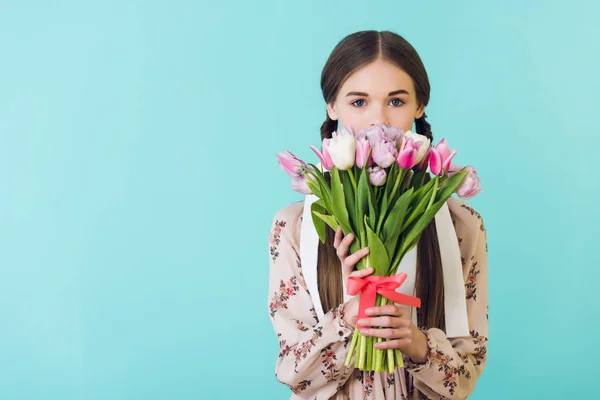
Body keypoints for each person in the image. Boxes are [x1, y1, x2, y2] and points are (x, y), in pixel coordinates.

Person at [267, 30, 488, 399]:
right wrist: (348, 318)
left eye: (396, 101)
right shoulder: (294, 227)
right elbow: (293, 373)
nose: (378, 120)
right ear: (331, 107)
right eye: (358, 102)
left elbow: (467, 372)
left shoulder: (460, 224)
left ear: (419, 107)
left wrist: (419, 345)